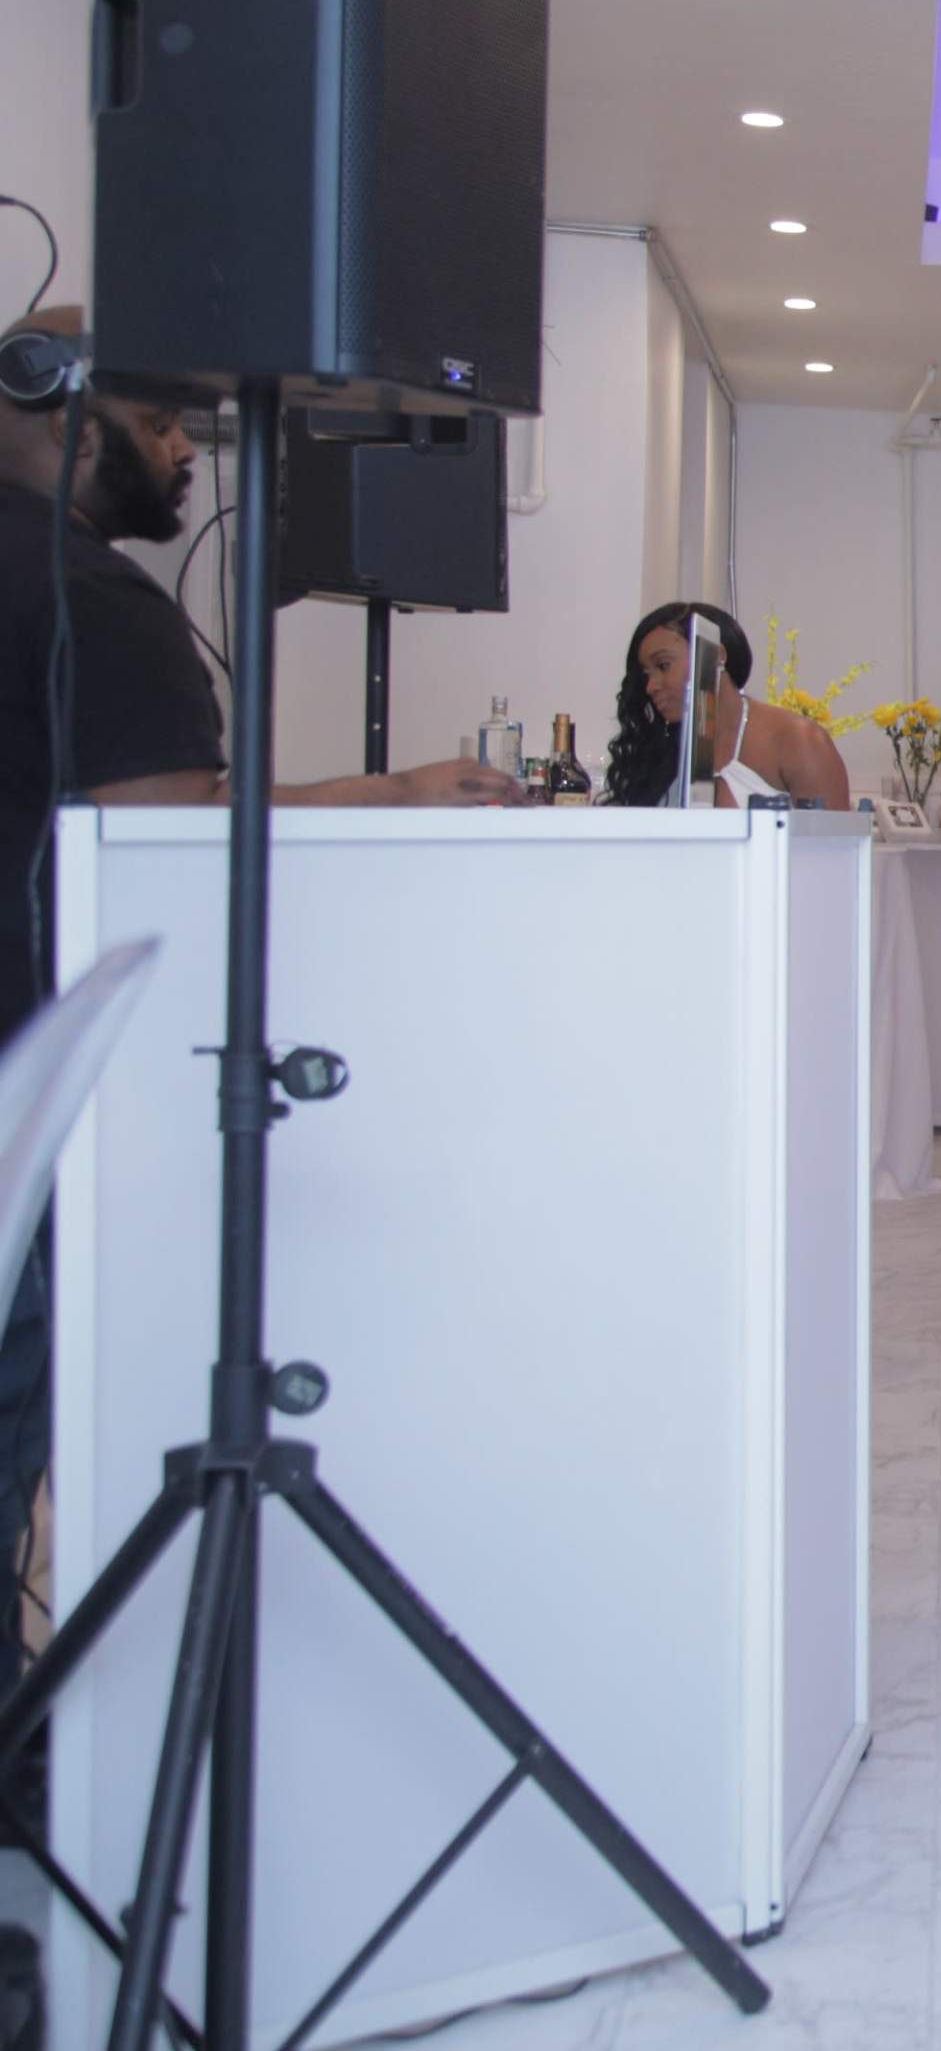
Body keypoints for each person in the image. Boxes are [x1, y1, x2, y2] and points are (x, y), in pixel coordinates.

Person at [0, 331, 519, 1750]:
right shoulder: (93, 601)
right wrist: (400, 791)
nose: (184, 454)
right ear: (55, 400)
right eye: (163, 421)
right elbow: (179, 817)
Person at [601, 601, 850, 809]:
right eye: (646, 674)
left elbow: (833, 856)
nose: (651, 686)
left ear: (715, 656)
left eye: (663, 666)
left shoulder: (797, 740)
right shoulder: (661, 750)